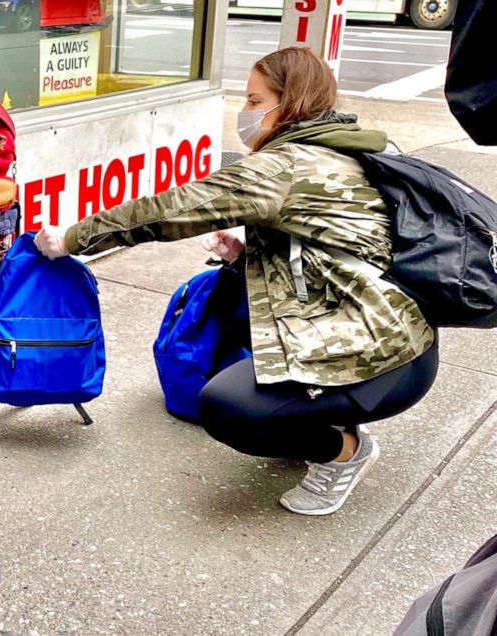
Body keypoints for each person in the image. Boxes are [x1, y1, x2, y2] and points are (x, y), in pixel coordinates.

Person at [35, 47, 438, 516]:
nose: (244, 113)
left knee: (229, 408)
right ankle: (327, 418)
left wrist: (73, 237)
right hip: (401, 343)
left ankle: (345, 452)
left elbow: (171, 210)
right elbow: (336, 255)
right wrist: (247, 253)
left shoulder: (285, 165)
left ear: (289, 103)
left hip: (381, 361)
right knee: (236, 294)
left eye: (253, 100)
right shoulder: (342, 150)